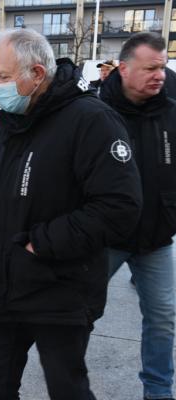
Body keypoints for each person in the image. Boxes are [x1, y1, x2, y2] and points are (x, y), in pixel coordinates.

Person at [0, 28, 142, 399]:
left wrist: (38, 245)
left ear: (37, 75)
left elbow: (118, 207)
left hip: (59, 292)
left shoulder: (91, 120)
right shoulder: (7, 123)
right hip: (1, 289)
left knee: (67, 390)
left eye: (3, 76)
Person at [99, 32, 176, 400]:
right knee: (78, 314)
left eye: (162, 67)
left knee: (163, 318)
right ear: (125, 69)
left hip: (157, 239)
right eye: (150, 68)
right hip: (107, 239)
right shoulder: (96, 113)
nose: (159, 75)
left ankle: (158, 392)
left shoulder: (171, 111)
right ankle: (69, 381)